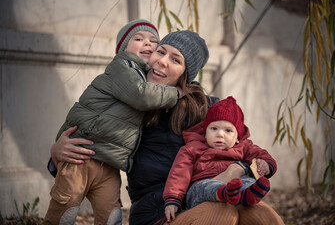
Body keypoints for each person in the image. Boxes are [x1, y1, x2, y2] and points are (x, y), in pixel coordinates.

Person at [49, 30, 285, 225]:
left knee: (261, 215)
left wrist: (239, 169)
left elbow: (245, 149)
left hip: (208, 195)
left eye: (175, 59)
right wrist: (57, 152)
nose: (162, 61)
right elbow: (92, 131)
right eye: (160, 52)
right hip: (157, 213)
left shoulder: (208, 110)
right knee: (220, 214)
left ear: (186, 74)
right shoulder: (129, 105)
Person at [44, 19, 182, 225]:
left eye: (154, 41)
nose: (148, 43)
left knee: (111, 216)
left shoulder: (148, 79)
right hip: (81, 155)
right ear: (122, 48)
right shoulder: (122, 67)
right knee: (65, 210)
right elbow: (141, 96)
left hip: (109, 165)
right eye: (139, 38)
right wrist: (176, 93)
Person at [163, 96, 276, 223]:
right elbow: (179, 173)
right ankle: (224, 193)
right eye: (214, 128)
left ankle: (247, 195)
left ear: (238, 137)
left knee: (247, 181)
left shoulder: (244, 147)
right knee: (204, 187)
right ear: (205, 132)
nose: (220, 134)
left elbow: (261, 154)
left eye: (228, 130)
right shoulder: (193, 148)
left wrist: (265, 164)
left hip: (236, 186)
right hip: (203, 187)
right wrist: (173, 199)